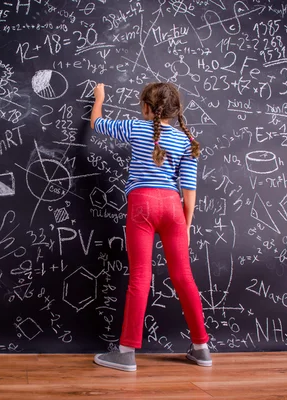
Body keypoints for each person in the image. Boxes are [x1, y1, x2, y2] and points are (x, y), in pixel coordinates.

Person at [90, 82, 211, 372]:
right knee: (184, 277)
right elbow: (189, 188)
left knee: (140, 277)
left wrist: (99, 98)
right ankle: (202, 349)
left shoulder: (136, 128)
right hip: (173, 208)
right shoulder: (186, 141)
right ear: (174, 111)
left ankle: (126, 352)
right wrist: (187, 225)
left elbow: (98, 124)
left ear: (146, 107)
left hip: (142, 205)